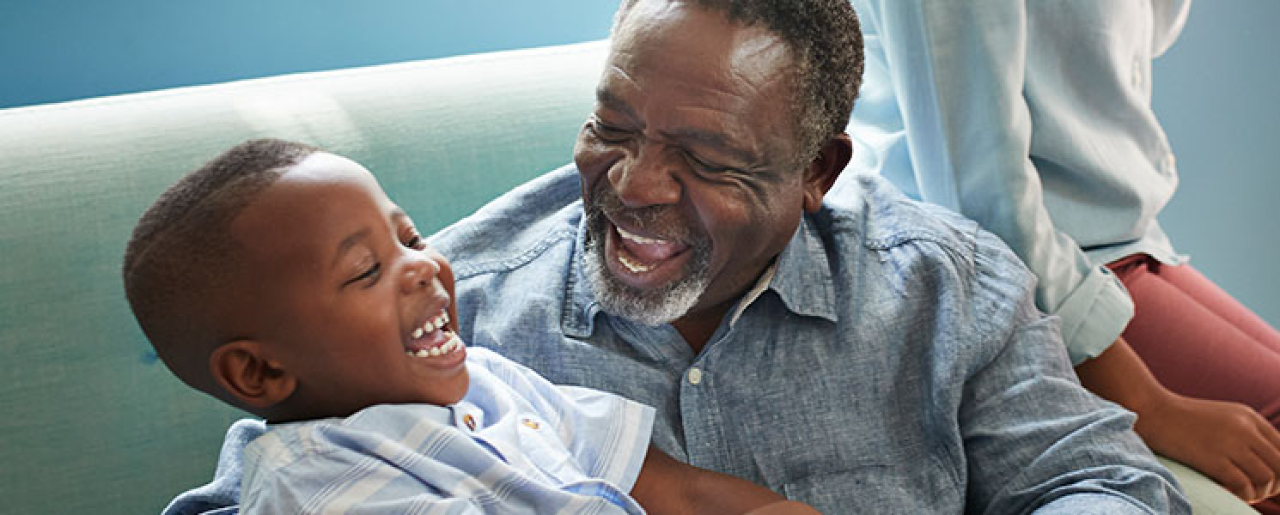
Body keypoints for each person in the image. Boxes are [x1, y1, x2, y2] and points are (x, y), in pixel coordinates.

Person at [167, 1, 1190, 512]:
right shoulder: (445, 320)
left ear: (815, 173)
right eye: (612, 127)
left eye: (706, 159)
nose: (637, 184)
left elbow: (1098, 476)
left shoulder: (945, 284)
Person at [123, 138, 818, 514]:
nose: (423, 268)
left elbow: (672, 489)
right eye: (366, 270)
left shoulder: (488, 382)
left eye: (411, 237)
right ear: (262, 371)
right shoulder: (322, 488)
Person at [845, 0, 1280, 511]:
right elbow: (983, 199)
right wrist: (1148, 404)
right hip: (1005, 263)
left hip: (1115, 242)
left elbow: (1136, 35)